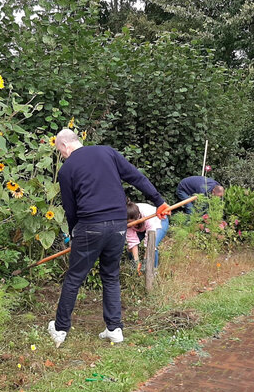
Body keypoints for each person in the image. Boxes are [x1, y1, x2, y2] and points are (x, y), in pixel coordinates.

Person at [48, 129, 170, 348]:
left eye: (60, 152)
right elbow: (136, 177)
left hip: (90, 225)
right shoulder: (108, 152)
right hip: (118, 225)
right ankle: (114, 329)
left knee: (74, 277)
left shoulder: (67, 170)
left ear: (65, 146)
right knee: (111, 276)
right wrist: (158, 201)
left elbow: (70, 208)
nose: (62, 156)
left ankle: (60, 329)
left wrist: (75, 233)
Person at [126, 199, 170, 269]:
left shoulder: (147, 214)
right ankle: (134, 270)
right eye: (129, 223)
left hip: (159, 220)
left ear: (137, 217)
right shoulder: (126, 218)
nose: (130, 225)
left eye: (132, 222)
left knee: (152, 246)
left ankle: (153, 271)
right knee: (130, 248)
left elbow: (150, 241)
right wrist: (136, 262)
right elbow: (132, 242)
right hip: (142, 226)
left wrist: (145, 261)